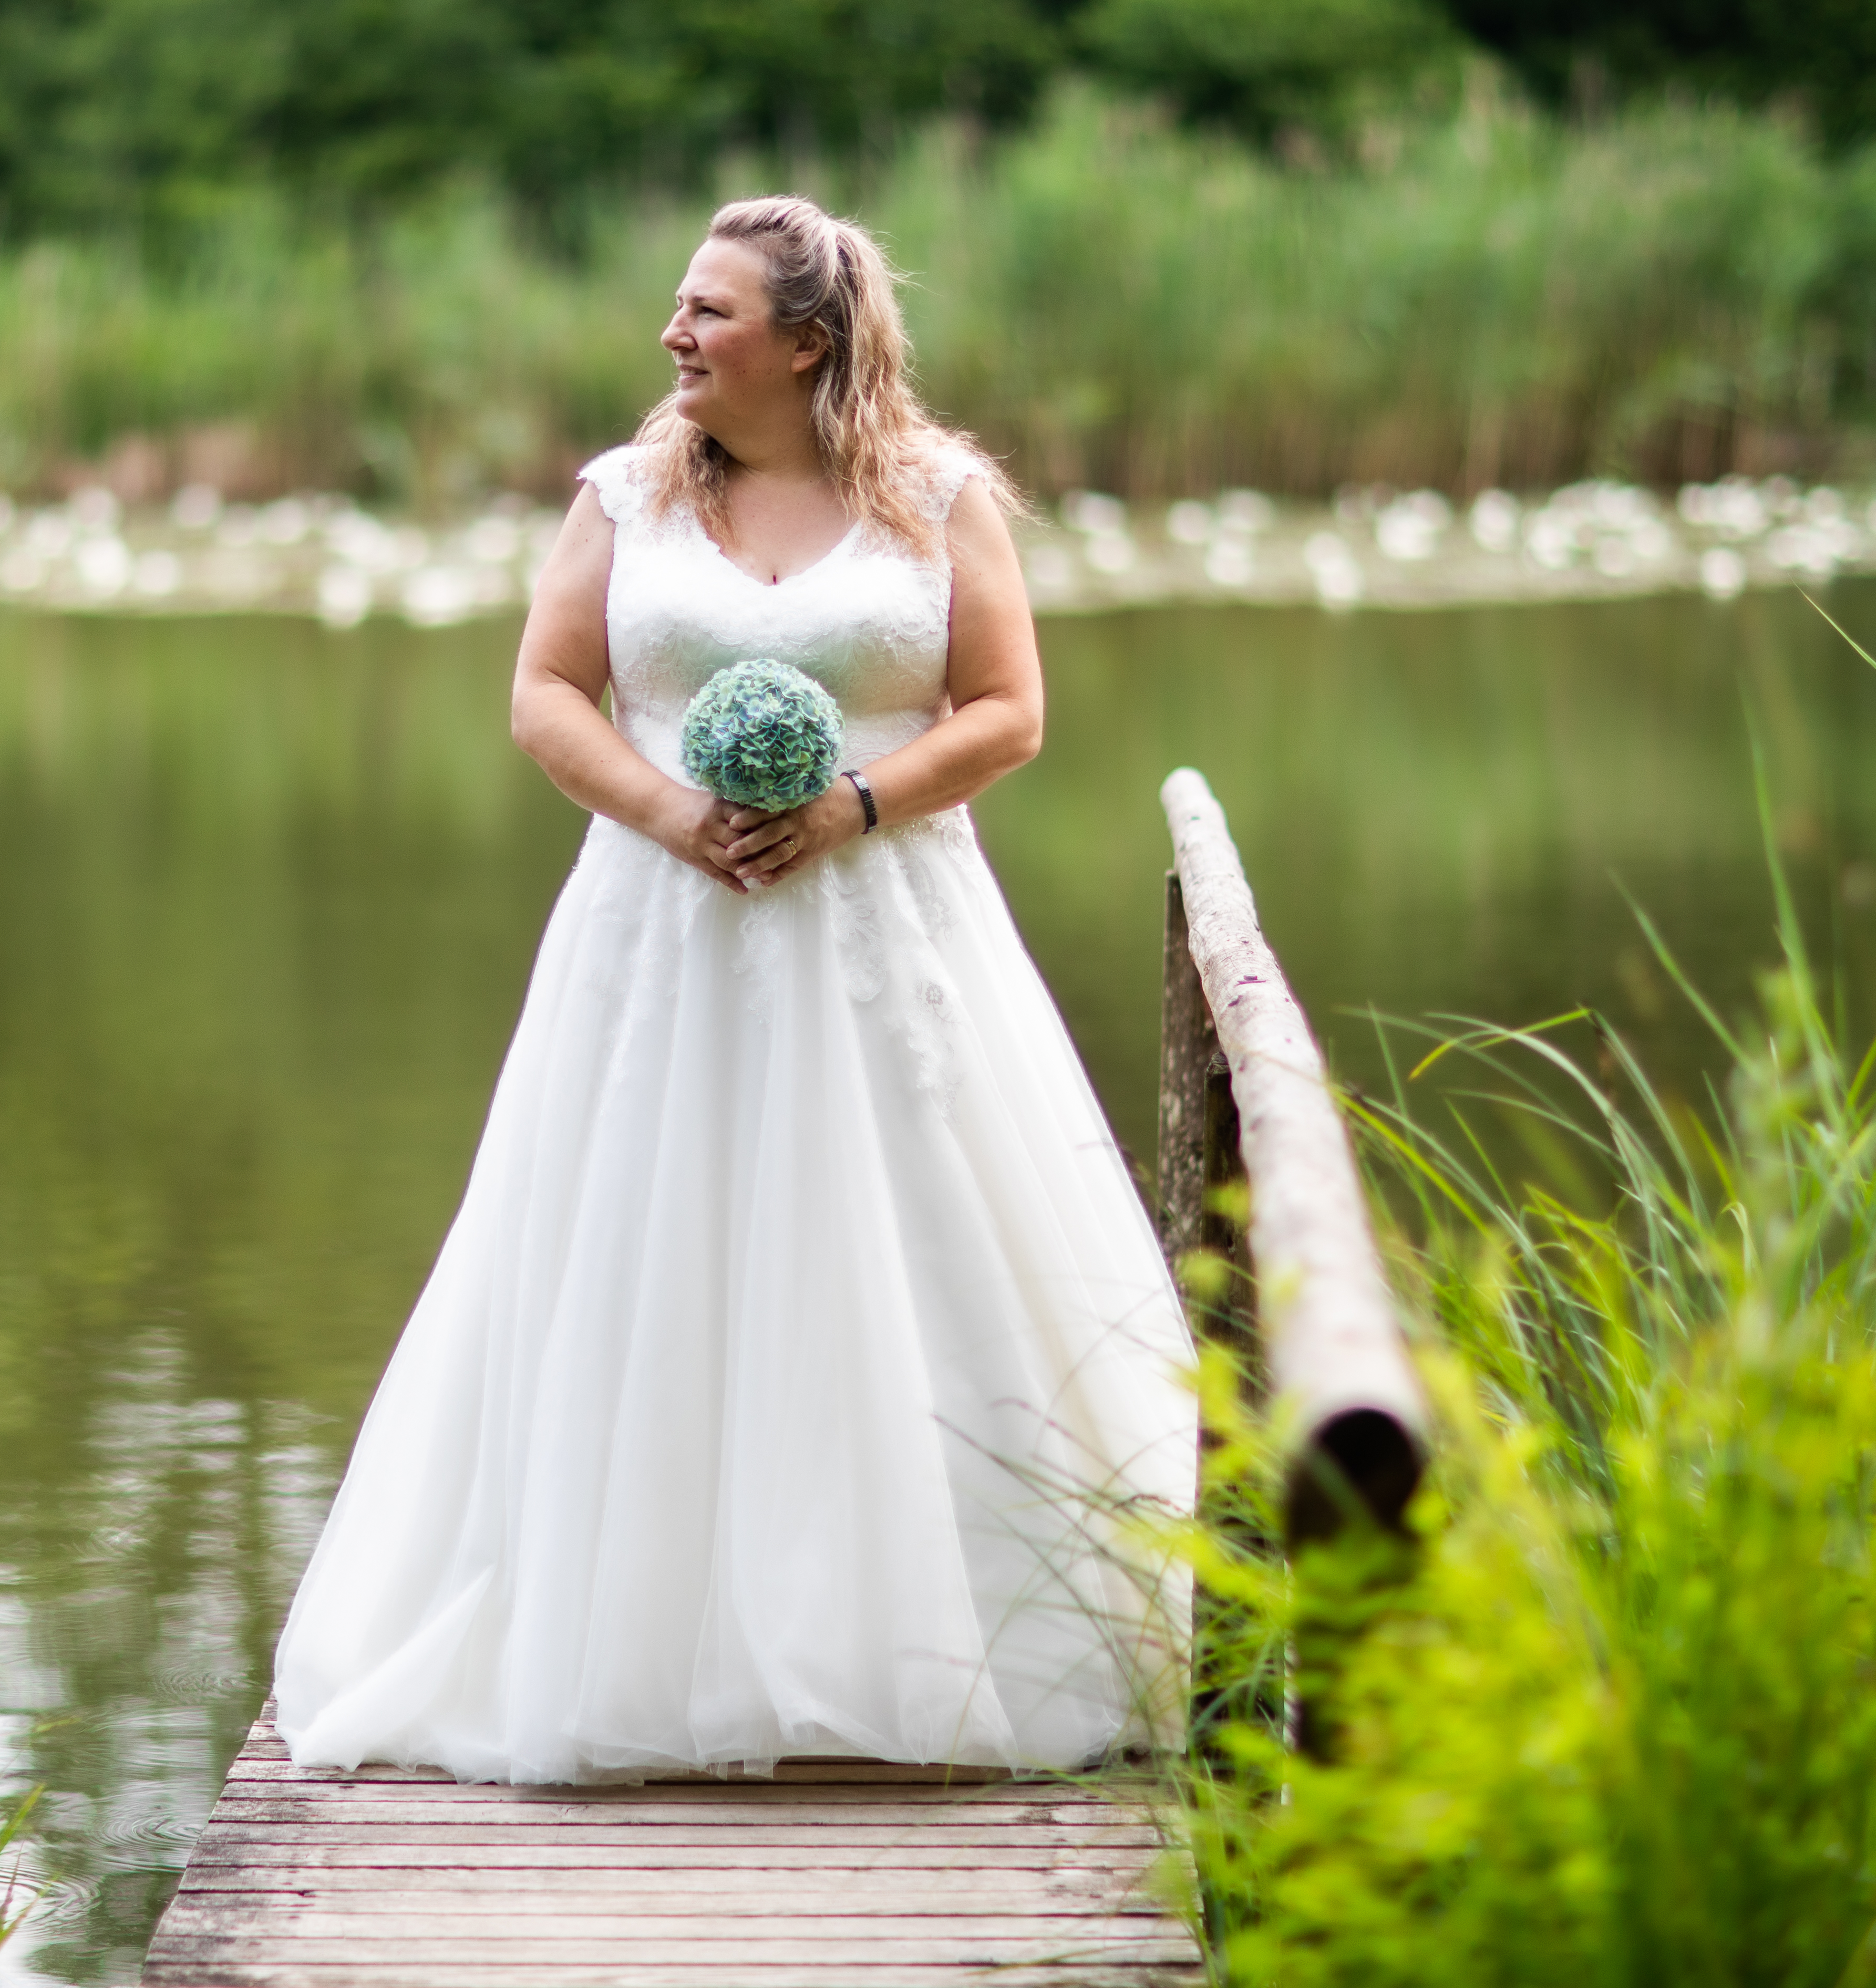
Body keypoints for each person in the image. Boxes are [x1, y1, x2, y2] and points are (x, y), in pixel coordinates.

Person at [272, 194, 1197, 1786]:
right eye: (678, 308)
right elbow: (547, 692)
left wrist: (855, 805)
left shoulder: (936, 499)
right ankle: (632, 1648)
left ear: (807, 342)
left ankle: (928, 1638)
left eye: (707, 312)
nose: (672, 335)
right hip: (658, 936)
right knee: (651, 1251)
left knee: (900, 1260)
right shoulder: (628, 496)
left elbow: (1009, 713)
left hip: (888, 931)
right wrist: (670, 814)